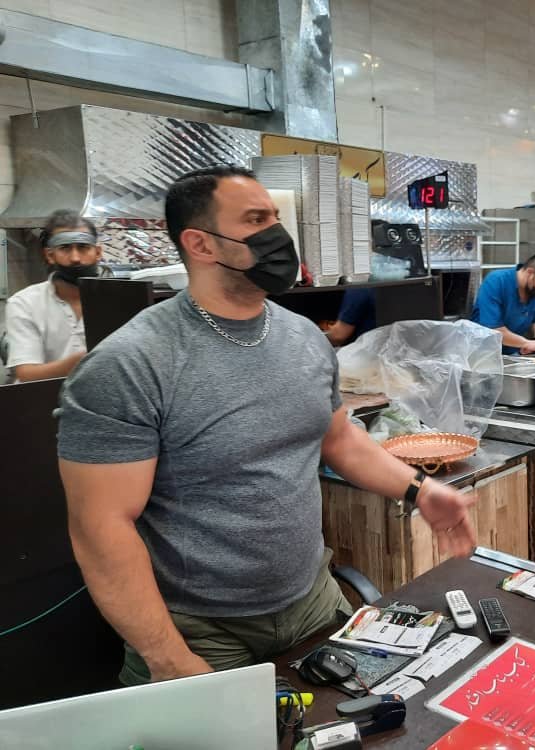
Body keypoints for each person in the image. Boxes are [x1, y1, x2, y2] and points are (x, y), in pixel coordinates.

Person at [56, 165, 476, 686]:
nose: (279, 234)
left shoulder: (304, 338)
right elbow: (101, 528)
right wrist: (166, 656)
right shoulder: (130, 364)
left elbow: (340, 440)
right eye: (256, 220)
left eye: (276, 218)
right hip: (199, 629)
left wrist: (419, 490)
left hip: (312, 600)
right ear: (200, 244)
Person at [4, 210, 103, 382]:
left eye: (83, 247)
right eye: (65, 248)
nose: (75, 258)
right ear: (50, 255)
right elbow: (27, 374)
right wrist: (84, 361)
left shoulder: (119, 300)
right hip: (44, 397)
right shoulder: (24, 304)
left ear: (98, 253)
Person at [470, 253, 535, 355]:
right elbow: (494, 330)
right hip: (481, 353)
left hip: (512, 354)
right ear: (530, 272)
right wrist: (526, 343)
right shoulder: (496, 281)